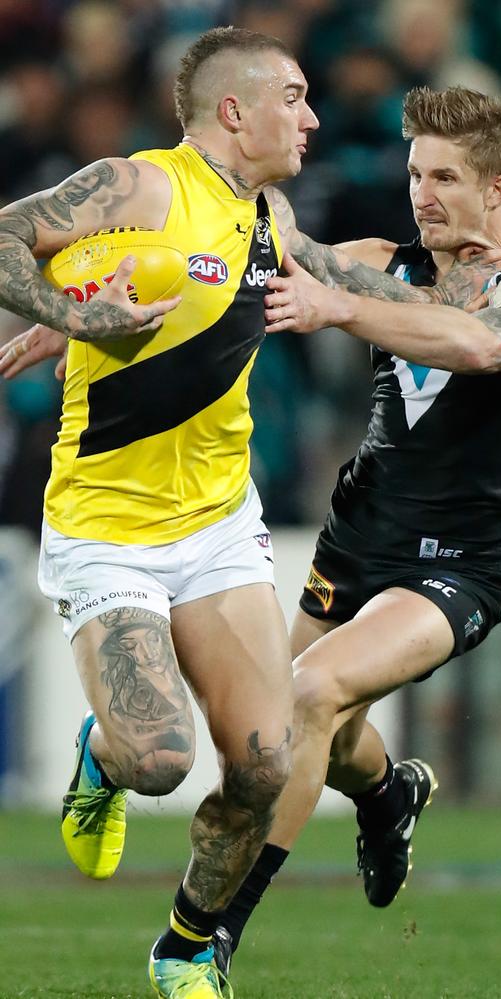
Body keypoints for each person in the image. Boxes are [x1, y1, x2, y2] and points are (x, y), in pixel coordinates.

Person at [199, 85, 501, 978]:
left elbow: (479, 346)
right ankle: (387, 791)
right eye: (414, 172)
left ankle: (211, 936)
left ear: (499, 187)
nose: (423, 193)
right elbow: (256, 254)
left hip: (455, 568)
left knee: (306, 694)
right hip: (353, 542)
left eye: (446, 175)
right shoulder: (383, 262)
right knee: (292, 733)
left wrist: (343, 308)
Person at [0, 26, 322, 999]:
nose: (309, 118)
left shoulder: (270, 211)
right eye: (293, 98)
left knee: (263, 768)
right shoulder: (139, 188)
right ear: (236, 111)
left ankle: (185, 945)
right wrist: (73, 316)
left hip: (219, 523)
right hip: (107, 529)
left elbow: (320, 277)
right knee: (156, 759)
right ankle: (101, 755)